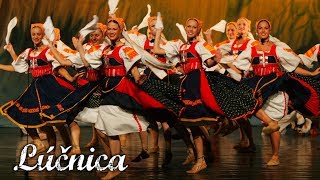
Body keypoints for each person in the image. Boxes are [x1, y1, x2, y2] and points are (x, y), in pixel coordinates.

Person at [151, 17, 280, 173]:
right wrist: (158, 31)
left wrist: (216, 59)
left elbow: (209, 62)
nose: (190, 29)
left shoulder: (201, 45)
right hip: (188, 85)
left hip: (200, 82)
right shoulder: (180, 45)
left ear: (198, 30)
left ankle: (269, 122)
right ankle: (200, 160)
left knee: (235, 97)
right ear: (185, 28)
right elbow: (157, 50)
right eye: (188, 27)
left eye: (194, 27)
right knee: (194, 122)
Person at [228, 19, 320, 166]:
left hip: (275, 90)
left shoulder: (276, 49)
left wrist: (310, 74)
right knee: (265, 119)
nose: (263, 31)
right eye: (260, 28)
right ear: (257, 31)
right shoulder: (250, 50)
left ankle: (275, 155)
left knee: (273, 124)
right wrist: (224, 70)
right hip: (259, 88)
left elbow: (292, 67)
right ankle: (265, 145)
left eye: (266, 28)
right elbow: (239, 67)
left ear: (269, 31)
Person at [0, 24, 73, 152]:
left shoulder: (48, 51)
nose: (36, 37)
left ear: (43, 35)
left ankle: (67, 146)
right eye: (33, 34)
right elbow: (20, 66)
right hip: (35, 87)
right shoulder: (29, 52)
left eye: (39, 34)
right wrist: (11, 51)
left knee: (54, 121)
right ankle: (39, 142)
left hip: (49, 86)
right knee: (25, 115)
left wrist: (71, 80)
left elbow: (59, 67)